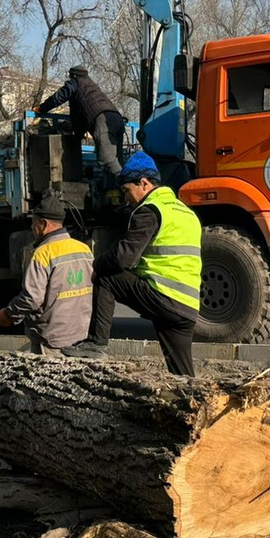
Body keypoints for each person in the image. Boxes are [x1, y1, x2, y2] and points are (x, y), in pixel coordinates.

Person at [64, 152, 201, 377]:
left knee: (107, 276)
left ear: (144, 183)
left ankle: (97, 344)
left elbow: (123, 257)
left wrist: (96, 264)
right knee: (182, 374)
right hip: (187, 306)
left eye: (127, 191)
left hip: (164, 297)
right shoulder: (185, 212)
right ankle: (196, 405)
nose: (126, 198)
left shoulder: (150, 210)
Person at [0, 190, 93, 355]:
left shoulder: (43, 253)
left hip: (52, 341)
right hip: (80, 335)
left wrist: (9, 313)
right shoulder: (83, 249)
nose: (32, 227)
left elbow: (32, 299)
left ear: (44, 224)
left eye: (34, 222)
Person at [36, 66, 124, 175]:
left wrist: (41, 108)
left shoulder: (76, 83)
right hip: (117, 118)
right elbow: (81, 115)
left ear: (73, 75)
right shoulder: (92, 86)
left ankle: (126, 188)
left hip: (103, 120)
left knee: (107, 160)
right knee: (118, 160)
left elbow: (59, 97)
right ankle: (113, 189)